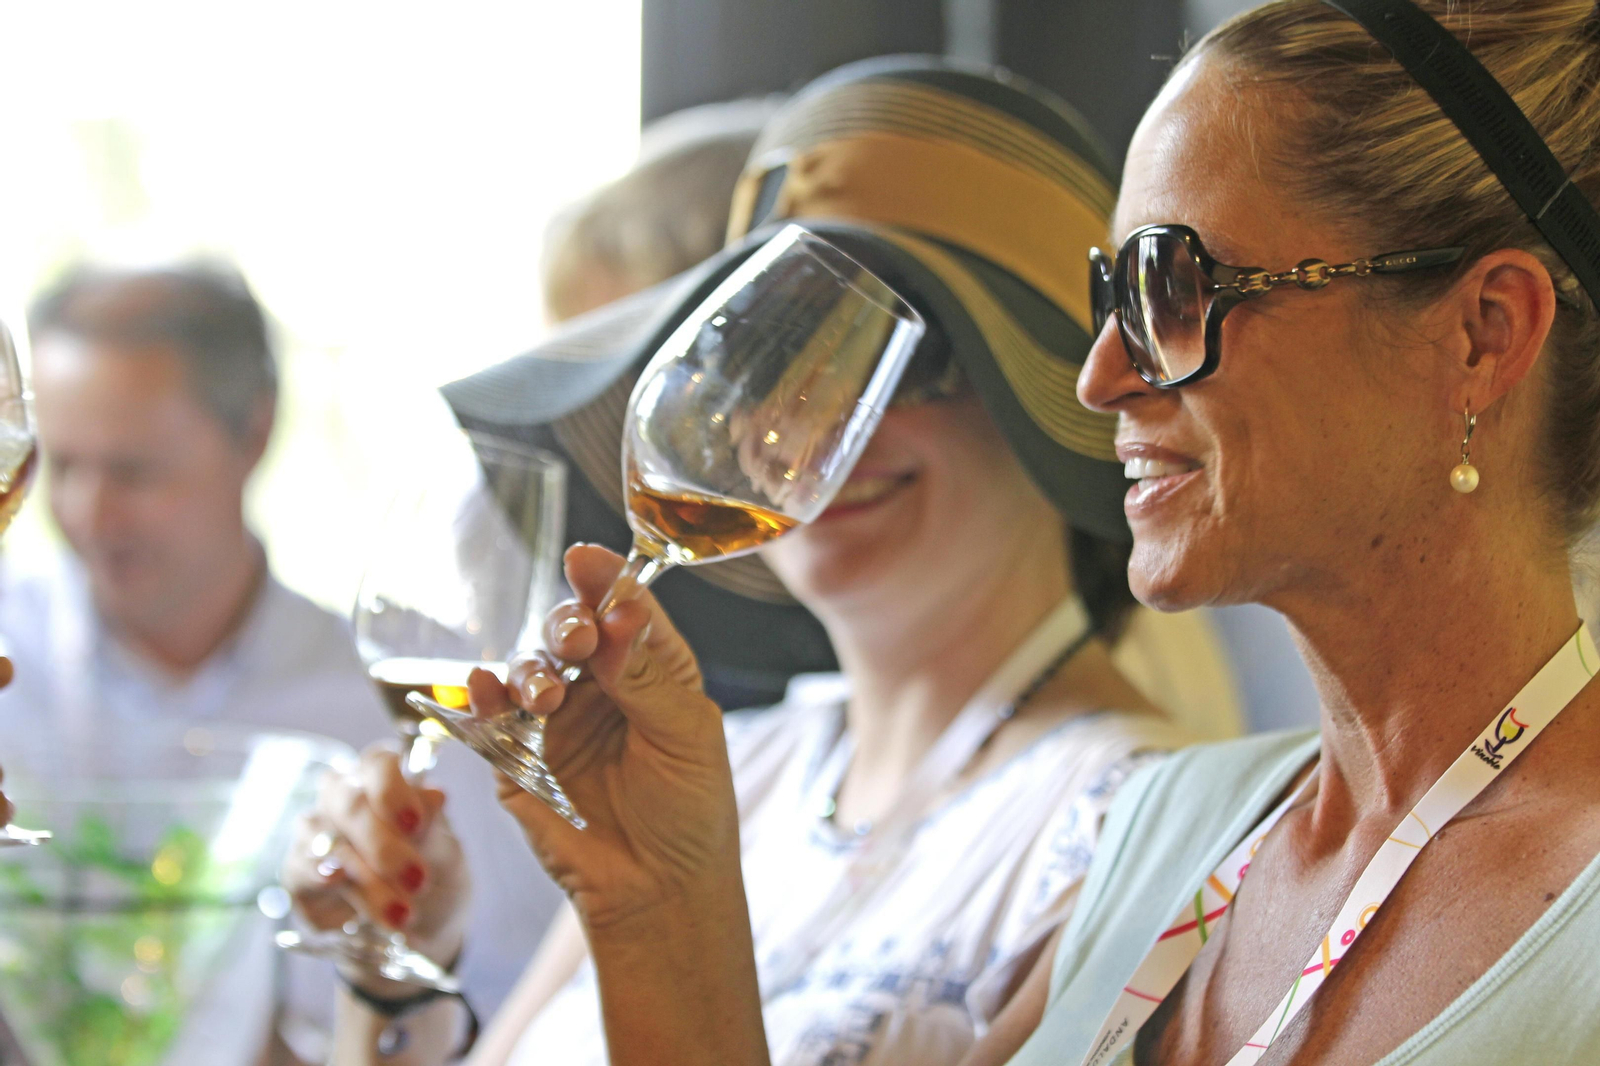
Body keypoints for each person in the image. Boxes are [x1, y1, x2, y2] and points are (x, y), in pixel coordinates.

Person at [357, 2, 1600, 1064]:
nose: (1098, 377)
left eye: (1174, 288)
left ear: (1481, 335)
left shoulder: (1106, 809)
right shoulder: (1180, 831)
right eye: (1110, 300)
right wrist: (656, 903)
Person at [285, 57, 1245, 1066]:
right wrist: (393, 969)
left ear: (1056, 404)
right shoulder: (733, 769)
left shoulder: (1138, 829)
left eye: (902, 363)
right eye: (771, 362)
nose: (816, 430)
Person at [0, 264, 546, 1064]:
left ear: (253, 433)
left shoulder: (400, 701)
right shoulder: (14, 658)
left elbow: (510, 1012)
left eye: (133, 471)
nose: (88, 512)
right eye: (63, 466)